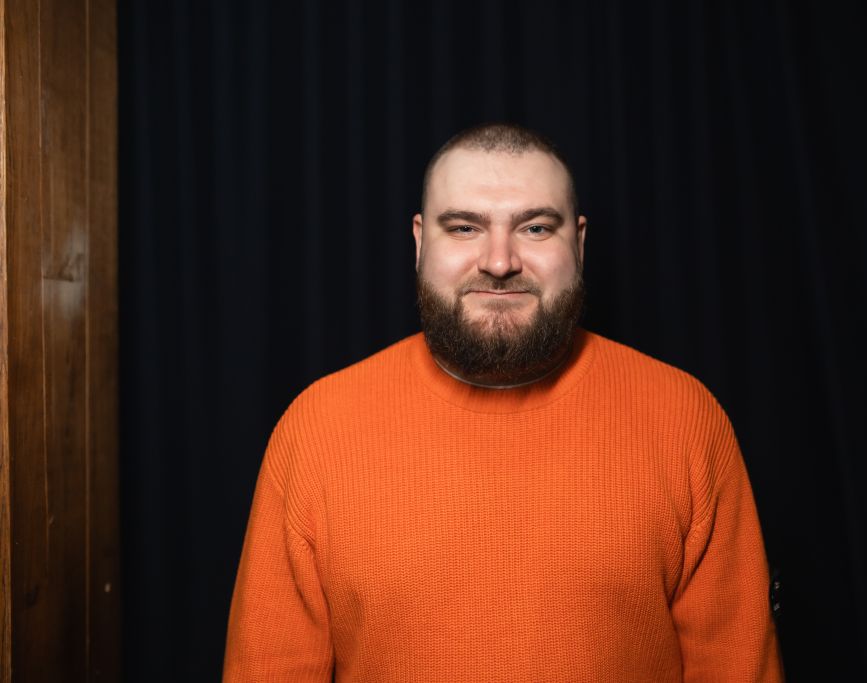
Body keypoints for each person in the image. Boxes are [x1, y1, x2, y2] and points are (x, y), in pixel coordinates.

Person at [224, 123, 783, 681]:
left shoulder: (685, 419)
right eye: (464, 228)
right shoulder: (316, 429)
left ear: (579, 244)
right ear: (419, 242)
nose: (498, 262)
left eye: (535, 228)